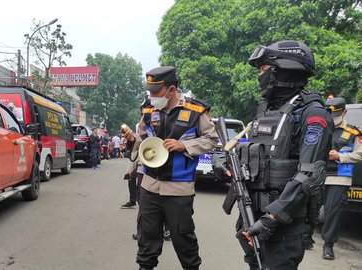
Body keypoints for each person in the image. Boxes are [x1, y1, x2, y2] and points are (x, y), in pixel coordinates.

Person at [235, 40, 334, 269]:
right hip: (252, 216)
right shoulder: (267, 111)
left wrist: (272, 218)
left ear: (284, 69)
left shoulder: (313, 113)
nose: (260, 76)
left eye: (263, 69)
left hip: (283, 224)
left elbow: (310, 175)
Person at [126, 66, 218, 270]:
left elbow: (211, 139)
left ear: (171, 89)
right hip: (150, 185)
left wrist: (184, 145)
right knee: (147, 235)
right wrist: (132, 141)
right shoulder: (149, 110)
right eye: (148, 91)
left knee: (182, 236)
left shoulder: (196, 111)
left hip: (179, 187)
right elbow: (141, 139)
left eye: (155, 91)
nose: (151, 96)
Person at [321, 97, 362, 260]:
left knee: (332, 212)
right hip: (318, 175)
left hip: (339, 177)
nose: (333, 119)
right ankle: (305, 239)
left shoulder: (353, 132)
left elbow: (360, 154)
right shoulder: (320, 128)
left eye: (336, 115)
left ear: (344, 112)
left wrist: (340, 156)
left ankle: (328, 245)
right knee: (309, 208)